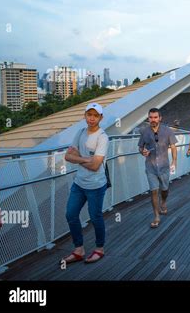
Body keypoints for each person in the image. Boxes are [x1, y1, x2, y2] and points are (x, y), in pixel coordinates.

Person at [62, 102, 109, 264]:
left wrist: (77, 158)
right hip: (79, 183)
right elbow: (67, 156)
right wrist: (84, 158)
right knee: (71, 214)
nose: (92, 118)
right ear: (85, 116)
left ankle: (99, 249)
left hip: (96, 185)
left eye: (95, 115)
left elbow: (96, 166)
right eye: (89, 114)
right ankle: (79, 249)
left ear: (101, 118)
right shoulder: (80, 132)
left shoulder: (103, 138)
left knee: (95, 217)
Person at [138, 108, 177, 228]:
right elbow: (140, 147)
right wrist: (142, 151)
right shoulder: (144, 132)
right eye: (151, 117)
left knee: (164, 189)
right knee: (154, 191)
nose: (153, 120)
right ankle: (156, 216)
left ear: (160, 118)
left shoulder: (168, 131)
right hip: (151, 167)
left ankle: (164, 201)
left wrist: (174, 162)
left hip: (165, 166)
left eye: (155, 117)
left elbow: (173, 147)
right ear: (148, 118)